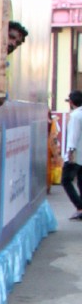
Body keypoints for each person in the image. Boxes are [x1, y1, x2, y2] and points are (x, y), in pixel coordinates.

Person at [62, 90, 82, 219]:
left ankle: (80, 206)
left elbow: (73, 137)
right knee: (81, 181)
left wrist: (70, 153)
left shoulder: (75, 116)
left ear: (71, 102)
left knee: (66, 180)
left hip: (76, 154)